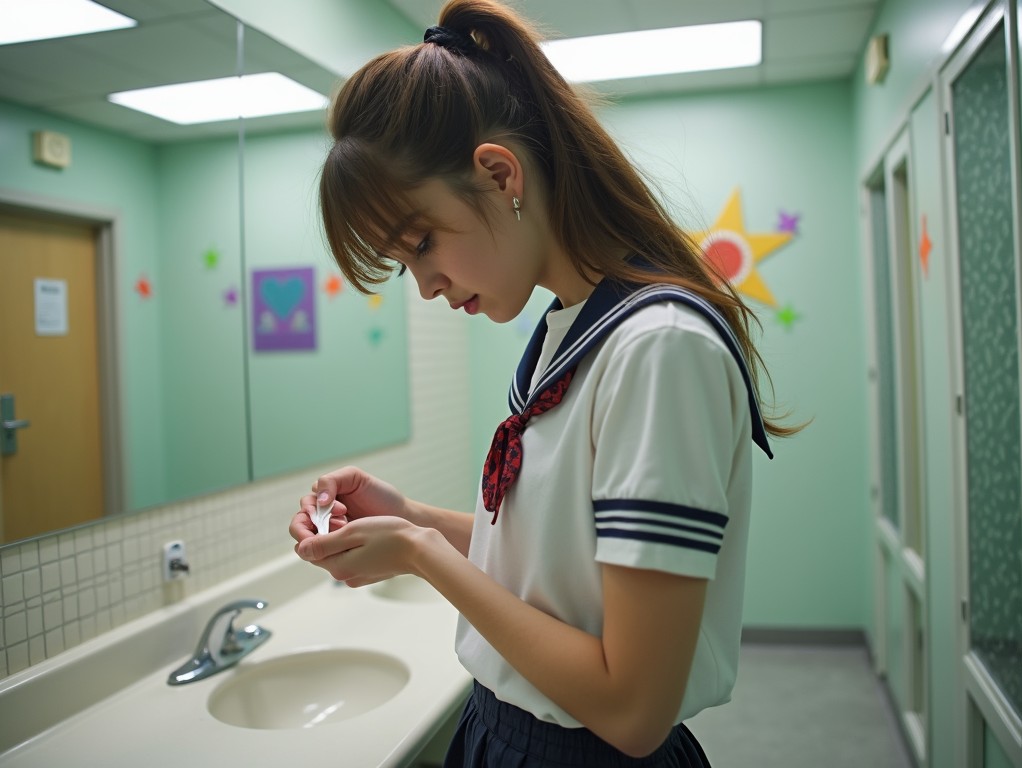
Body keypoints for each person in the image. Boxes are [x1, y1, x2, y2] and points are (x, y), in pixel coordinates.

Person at [289, 1, 798, 765]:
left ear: (500, 175)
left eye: (423, 243)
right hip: (507, 733)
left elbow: (631, 709)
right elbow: (563, 568)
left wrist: (424, 552)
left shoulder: (657, 348)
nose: (425, 285)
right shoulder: (570, 329)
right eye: (404, 263)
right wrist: (413, 518)